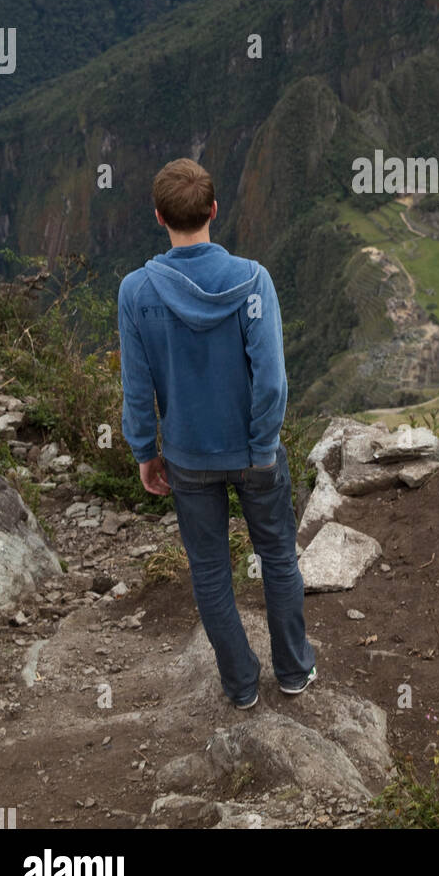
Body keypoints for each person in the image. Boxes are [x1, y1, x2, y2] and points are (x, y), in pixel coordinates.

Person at [117, 157, 316, 706]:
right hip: (254, 454)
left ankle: (240, 685)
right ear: (214, 210)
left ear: (159, 217)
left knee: (210, 573)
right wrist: (261, 448)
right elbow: (271, 380)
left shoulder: (137, 293)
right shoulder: (253, 281)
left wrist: (144, 451)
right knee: (277, 558)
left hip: (187, 457)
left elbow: (138, 388)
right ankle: (295, 670)